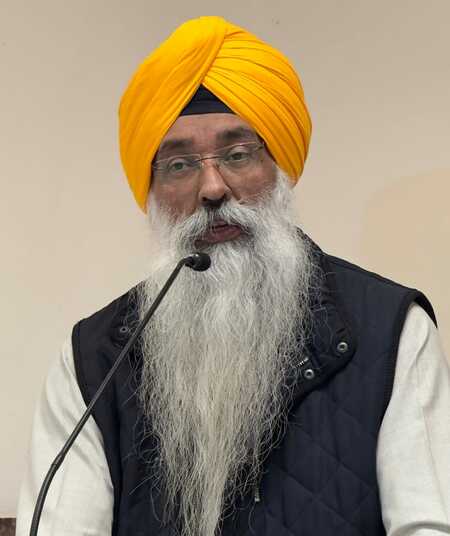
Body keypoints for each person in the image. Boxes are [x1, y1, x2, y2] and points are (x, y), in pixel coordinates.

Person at [16, 16, 450, 536]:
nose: (212, 188)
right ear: (152, 192)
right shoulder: (94, 360)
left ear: (279, 168)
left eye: (238, 154)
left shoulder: (391, 331)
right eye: (179, 165)